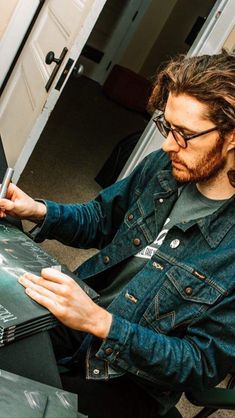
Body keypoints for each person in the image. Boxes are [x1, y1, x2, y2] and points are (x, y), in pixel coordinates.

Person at [0, 50, 235, 418]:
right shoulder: (164, 167)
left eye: (186, 134)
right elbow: (101, 218)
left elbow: (198, 365)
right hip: (79, 316)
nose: (168, 145)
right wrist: (38, 210)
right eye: (167, 127)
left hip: (131, 378)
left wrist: (100, 321)